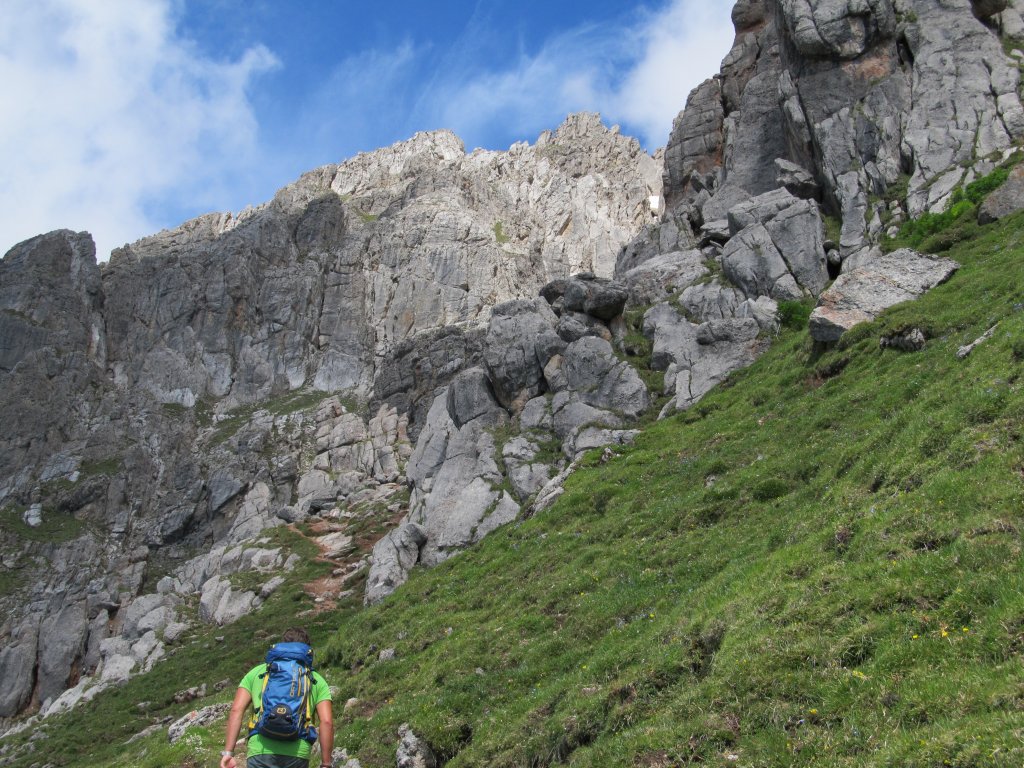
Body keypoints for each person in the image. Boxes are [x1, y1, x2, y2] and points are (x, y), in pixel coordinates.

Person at [220, 628, 334, 768]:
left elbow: (236, 710)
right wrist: (326, 763)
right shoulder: (315, 679)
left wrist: (228, 753)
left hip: (260, 750)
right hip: (297, 753)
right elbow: (327, 722)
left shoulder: (257, 673)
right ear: (306, 649)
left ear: (282, 645)